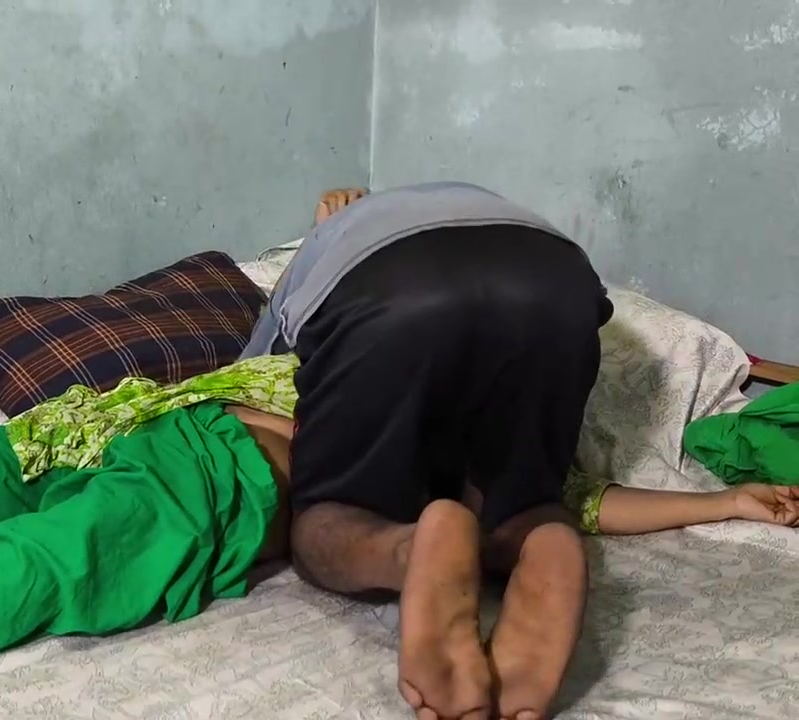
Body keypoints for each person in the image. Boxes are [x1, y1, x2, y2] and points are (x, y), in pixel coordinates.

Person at [0, 351, 796, 720]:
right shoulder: (343, 331)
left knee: (66, 553)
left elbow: (579, 503)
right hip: (118, 421)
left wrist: (719, 504)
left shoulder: (480, 436)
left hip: (226, 475)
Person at [241, 185, 799, 720]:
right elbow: (584, 494)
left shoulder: (307, 268)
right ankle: (540, 537)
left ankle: (411, 552)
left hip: (386, 284)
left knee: (327, 522)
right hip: (553, 277)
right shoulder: (423, 214)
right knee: (524, 507)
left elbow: (247, 373)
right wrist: (725, 502)